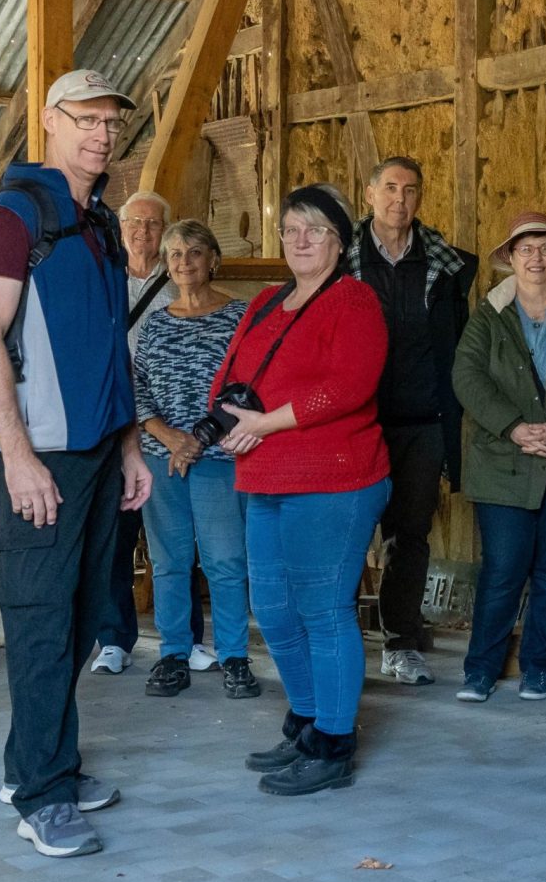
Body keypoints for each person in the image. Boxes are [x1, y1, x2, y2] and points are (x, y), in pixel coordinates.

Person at [0, 68, 153, 857]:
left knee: (82, 616)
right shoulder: (12, 217)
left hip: (102, 451)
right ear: (49, 120)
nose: (101, 135)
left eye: (111, 122)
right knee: (41, 619)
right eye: (86, 119)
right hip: (43, 455)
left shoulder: (99, 220)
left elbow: (112, 345)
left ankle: (41, 765)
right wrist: (16, 457)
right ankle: (42, 797)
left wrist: (131, 445)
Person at [218, 185, 389, 796]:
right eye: (291, 228)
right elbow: (232, 373)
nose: (301, 239)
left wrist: (265, 423)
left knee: (323, 609)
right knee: (273, 609)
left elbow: (349, 386)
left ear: (339, 242)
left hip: (334, 478)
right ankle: (309, 720)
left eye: (315, 229)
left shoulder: (355, 300)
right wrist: (226, 421)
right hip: (264, 474)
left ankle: (334, 746)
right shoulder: (266, 301)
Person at [346, 157, 476, 686]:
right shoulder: (341, 260)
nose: (400, 199)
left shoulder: (444, 265)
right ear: (370, 193)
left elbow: (457, 348)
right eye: (390, 188)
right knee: (349, 529)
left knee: (410, 535)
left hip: (423, 421)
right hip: (358, 420)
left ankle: (400, 643)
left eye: (411, 190)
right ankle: (340, 643)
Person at [451, 212, 546, 703]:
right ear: (510, 257)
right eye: (525, 249)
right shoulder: (488, 314)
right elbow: (467, 377)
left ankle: (537, 668)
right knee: (504, 568)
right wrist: (513, 426)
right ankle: (481, 670)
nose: (536, 259)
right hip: (501, 461)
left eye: (545, 249)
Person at [91, 191, 215, 677]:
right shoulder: (103, 275)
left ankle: (188, 639)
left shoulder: (179, 279)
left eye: (152, 223)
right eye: (134, 222)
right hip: (113, 421)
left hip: (170, 426)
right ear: (120, 228)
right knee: (115, 537)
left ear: (165, 232)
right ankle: (114, 639)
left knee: (179, 543)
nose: (142, 231)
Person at [134, 220, 255, 701]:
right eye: (175, 254)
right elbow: (138, 387)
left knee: (226, 561)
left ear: (213, 259)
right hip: (162, 459)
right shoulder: (155, 323)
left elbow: (248, 388)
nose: (184, 262)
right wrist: (169, 437)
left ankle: (235, 657)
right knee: (169, 562)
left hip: (219, 459)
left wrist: (198, 442)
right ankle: (173, 655)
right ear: (166, 265)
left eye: (194, 252)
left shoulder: (239, 316)